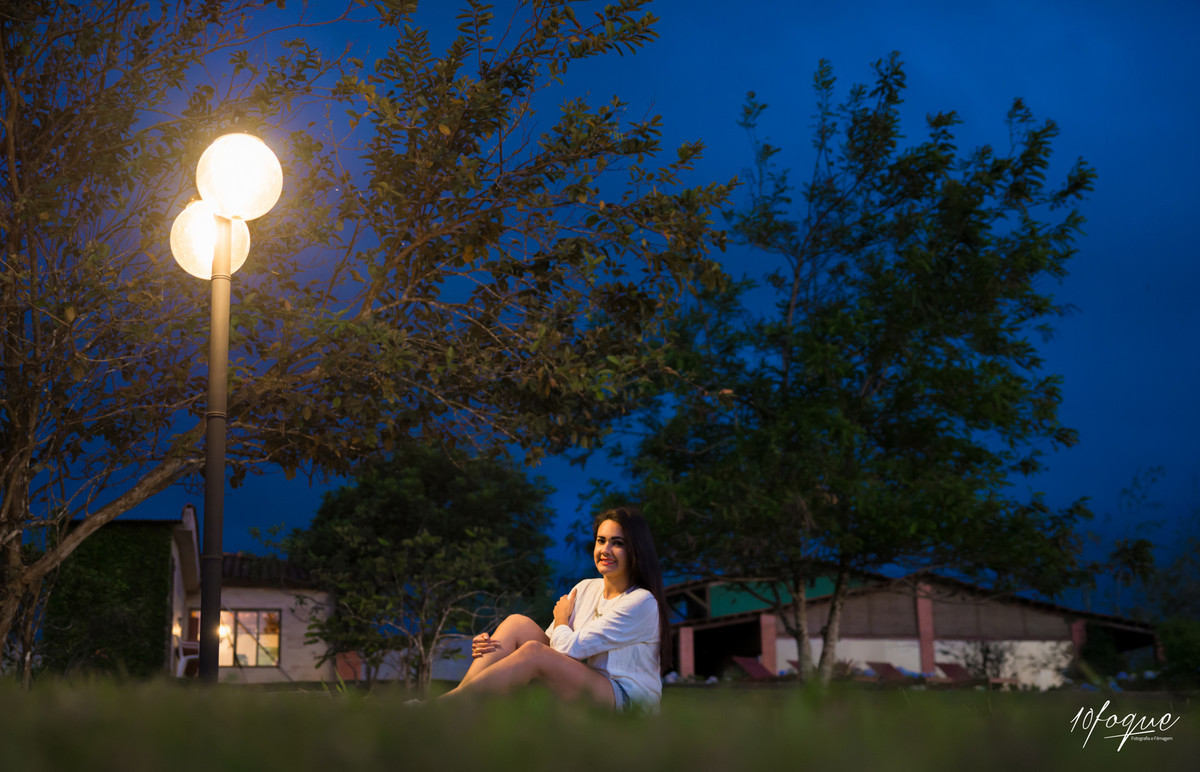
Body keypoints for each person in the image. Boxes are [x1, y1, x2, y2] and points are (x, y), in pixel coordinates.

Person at [439, 506, 673, 711]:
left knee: (533, 652)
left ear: (636, 550)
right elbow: (553, 644)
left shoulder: (641, 602)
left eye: (618, 543)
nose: (605, 550)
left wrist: (561, 618)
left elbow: (563, 648)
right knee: (516, 623)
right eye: (601, 540)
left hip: (625, 699)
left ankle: (444, 707)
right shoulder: (585, 588)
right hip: (587, 679)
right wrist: (492, 645)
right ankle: (457, 703)